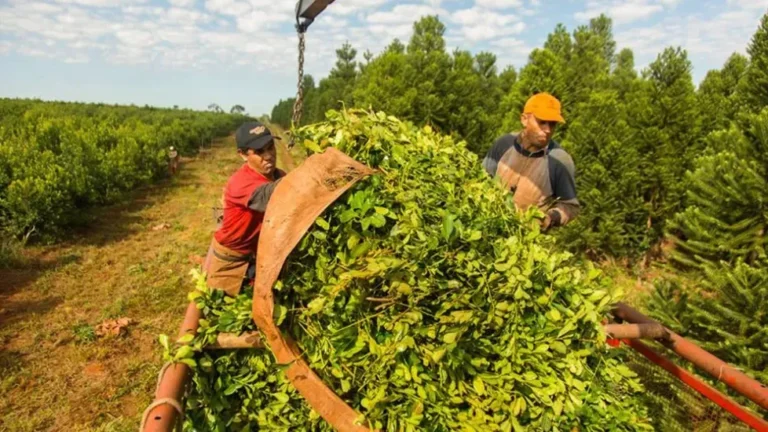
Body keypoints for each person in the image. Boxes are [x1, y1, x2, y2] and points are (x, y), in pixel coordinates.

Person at [204, 121, 285, 296]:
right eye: (259, 152)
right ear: (242, 155)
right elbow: (273, 196)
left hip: (256, 257)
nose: (269, 155)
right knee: (224, 312)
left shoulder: (278, 176)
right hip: (231, 262)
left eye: (271, 148)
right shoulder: (241, 183)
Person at [482, 92, 580, 231]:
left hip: (524, 239)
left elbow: (571, 206)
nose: (547, 130)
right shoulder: (503, 144)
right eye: (542, 122)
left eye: (552, 124)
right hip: (487, 227)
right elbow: (481, 179)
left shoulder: (559, 160)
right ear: (524, 119)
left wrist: (551, 217)